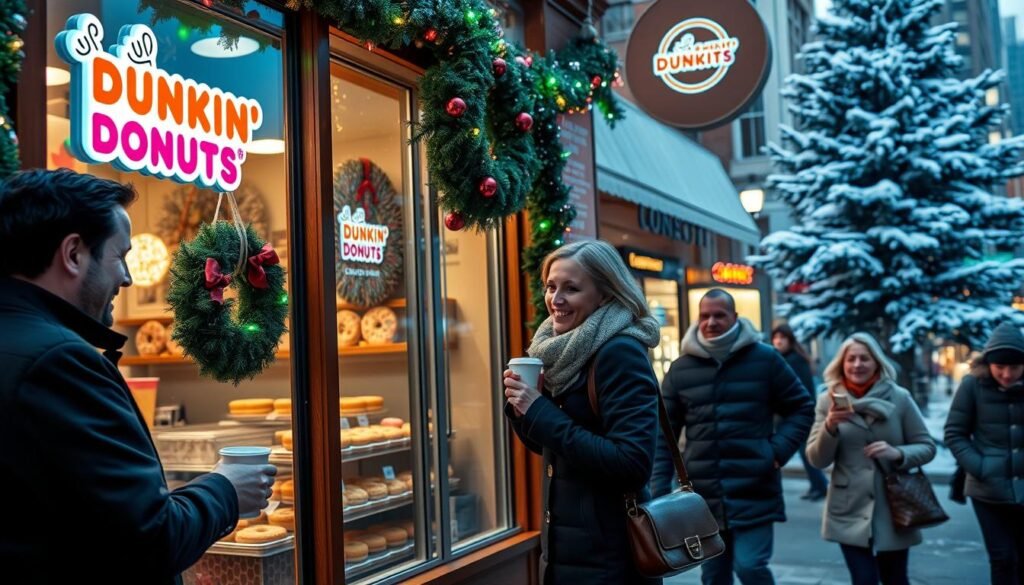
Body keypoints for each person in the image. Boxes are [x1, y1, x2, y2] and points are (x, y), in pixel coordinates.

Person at [0, 169, 276, 584]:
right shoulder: (59, 361)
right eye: (119, 255)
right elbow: (149, 540)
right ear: (73, 254)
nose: (126, 277)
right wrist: (227, 489)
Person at [502, 240, 663, 584]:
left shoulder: (619, 353)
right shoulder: (562, 351)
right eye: (550, 286)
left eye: (571, 289)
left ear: (604, 295)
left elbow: (632, 464)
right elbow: (558, 451)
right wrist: (522, 410)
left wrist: (540, 410)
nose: (555, 300)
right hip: (567, 556)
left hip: (609, 563)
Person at [653, 289, 815, 585]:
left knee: (750, 566)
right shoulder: (680, 369)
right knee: (714, 576)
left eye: (719, 315)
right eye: (705, 316)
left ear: (735, 318)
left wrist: (777, 451)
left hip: (755, 486)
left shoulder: (765, 359)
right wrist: (659, 486)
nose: (711, 321)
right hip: (703, 498)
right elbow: (664, 435)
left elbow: (802, 408)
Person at [805, 333, 936, 585]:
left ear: (877, 362)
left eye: (864, 358)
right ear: (841, 364)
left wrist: (897, 453)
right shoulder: (828, 401)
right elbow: (816, 459)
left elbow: (926, 446)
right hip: (849, 507)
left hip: (894, 506)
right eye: (850, 359)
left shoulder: (899, 398)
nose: (857, 365)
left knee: (895, 578)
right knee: (863, 579)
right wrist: (829, 428)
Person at [944, 322, 1024, 585]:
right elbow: (955, 433)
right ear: (988, 363)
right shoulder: (972, 386)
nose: (1007, 374)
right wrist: (979, 466)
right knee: (1001, 558)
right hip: (987, 490)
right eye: (1000, 367)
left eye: (1014, 367)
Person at [771, 323, 829, 501]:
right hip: (788, 416)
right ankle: (818, 486)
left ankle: (820, 486)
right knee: (802, 453)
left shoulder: (794, 361)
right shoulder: (782, 359)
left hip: (798, 416)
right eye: (776, 338)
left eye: (783, 338)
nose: (779, 341)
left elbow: (801, 392)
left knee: (806, 453)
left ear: (790, 340)